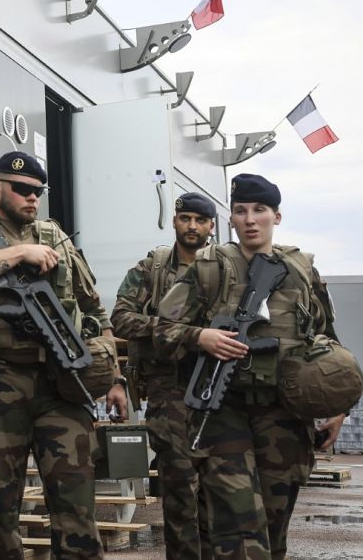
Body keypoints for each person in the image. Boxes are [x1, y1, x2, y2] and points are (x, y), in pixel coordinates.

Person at [155, 174, 345, 560]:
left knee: (274, 528)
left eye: (259, 211)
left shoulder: (300, 269)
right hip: (225, 413)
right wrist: (200, 337)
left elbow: (328, 341)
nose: (250, 220)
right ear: (231, 218)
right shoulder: (209, 268)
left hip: (285, 413)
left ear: (277, 216)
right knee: (237, 529)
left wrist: (338, 407)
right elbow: (162, 329)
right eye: (241, 211)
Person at [0, 151, 127, 559]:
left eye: (38, 191)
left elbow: (95, 311)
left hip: (62, 386)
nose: (32, 198)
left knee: (76, 509)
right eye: (21, 189)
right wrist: (17, 255)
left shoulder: (57, 239)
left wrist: (116, 377)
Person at [111, 192, 217, 560]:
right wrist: (173, 330)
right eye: (185, 218)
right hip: (168, 389)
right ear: (174, 221)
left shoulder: (226, 269)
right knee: (179, 490)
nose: (192, 226)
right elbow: (120, 318)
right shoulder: (152, 269)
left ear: (211, 226)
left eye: (200, 220)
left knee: (219, 492)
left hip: (217, 388)